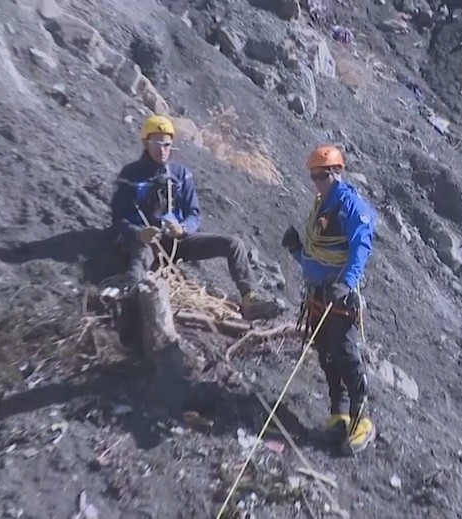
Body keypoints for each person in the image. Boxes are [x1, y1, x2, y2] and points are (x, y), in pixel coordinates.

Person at [110, 115, 283, 321]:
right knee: (142, 257)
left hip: (177, 240)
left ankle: (250, 299)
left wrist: (183, 229)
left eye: (167, 144)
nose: (162, 150)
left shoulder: (180, 174)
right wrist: (139, 233)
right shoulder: (130, 174)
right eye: (156, 144)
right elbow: (119, 217)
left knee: (233, 244)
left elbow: (193, 214)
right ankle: (129, 296)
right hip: (146, 240)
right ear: (145, 143)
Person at [281, 145, 377, 455]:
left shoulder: (351, 207)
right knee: (327, 354)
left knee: (346, 354)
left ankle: (361, 420)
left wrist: (346, 284)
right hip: (318, 295)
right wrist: (297, 250)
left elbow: (361, 246)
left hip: (338, 296)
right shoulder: (321, 206)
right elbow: (316, 255)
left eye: (321, 176)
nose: (317, 182)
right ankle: (340, 413)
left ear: (337, 172)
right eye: (313, 177)